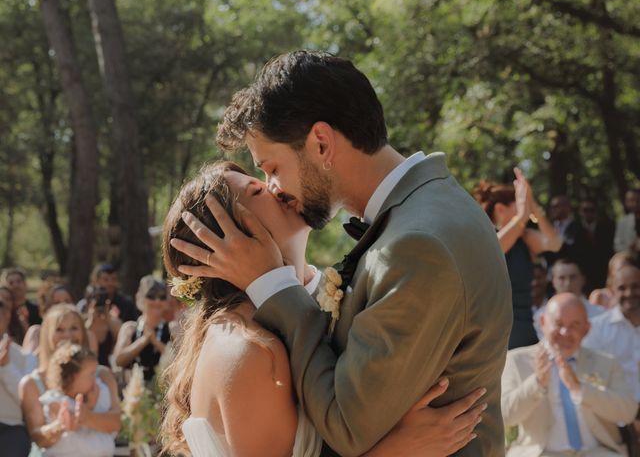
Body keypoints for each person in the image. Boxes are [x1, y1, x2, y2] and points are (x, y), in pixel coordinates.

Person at [171, 51, 511, 456]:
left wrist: (273, 285)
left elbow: (347, 427)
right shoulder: (431, 209)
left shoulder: (417, 245)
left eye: (272, 168)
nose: (274, 187)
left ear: (321, 143)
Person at [161, 162, 487, 457]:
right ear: (230, 238)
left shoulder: (333, 294)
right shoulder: (246, 349)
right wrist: (400, 450)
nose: (273, 186)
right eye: (255, 189)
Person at [502, 293, 637, 456]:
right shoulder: (516, 360)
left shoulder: (606, 363)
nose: (565, 332)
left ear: (587, 329)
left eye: (575, 325)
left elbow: (628, 412)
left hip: (596, 451)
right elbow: (505, 415)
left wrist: (580, 389)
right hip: (542, 452)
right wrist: (537, 383)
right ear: (543, 323)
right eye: (558, 324)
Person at [474, 169, 562, 349]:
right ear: (500, 209)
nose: (523, 208)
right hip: (494, 335)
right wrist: (522, 217)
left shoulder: (525, 238)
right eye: (519, 204)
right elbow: (493, 251)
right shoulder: (484, 238)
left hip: (524, 333)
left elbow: (555, 243)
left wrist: (535, 210)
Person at [19, 306, 119, 455]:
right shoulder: (30, 383)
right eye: (59, 329)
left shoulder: (103, 375)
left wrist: (87, 417)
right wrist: (60, 425)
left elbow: (116, 422)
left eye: (74, 328)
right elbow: (37, 437)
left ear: (83, 333)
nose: (67, 335)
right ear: (47, 335)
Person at [582, 252, 640, 443]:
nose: (630, 293)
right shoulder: (597, 329)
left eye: (635, 286)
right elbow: (590, 378)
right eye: (622, 288)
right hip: (614, 418)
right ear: (612, 291)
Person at [113, 276, 170, 383]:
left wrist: (156, 342)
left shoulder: (172, 329)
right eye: (151, 296)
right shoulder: (130, 328)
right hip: (133, 392)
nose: (157, 301)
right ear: (141, 298)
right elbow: (118, 360)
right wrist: (143, 340)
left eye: (162, 297)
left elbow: (179, 361)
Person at [0, 295, 37, 457]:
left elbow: (26, 400)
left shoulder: (23, 356)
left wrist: (6, 366)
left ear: (6, 316)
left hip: (11, 429)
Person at [534, 259, 605, 340]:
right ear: (553, 281)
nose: (568, 283)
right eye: (562, 278)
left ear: (582, 279)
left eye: (573, 277)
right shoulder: (541, 316)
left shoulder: (601, 314)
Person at [22, 285, 75, 356]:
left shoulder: (83, 334)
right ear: (46, 308)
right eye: (57, 303)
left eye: (67, 301)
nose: (63, 306)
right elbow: (28, 363)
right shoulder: (36, 333)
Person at [577, 198, 615, 290]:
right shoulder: (574, 229)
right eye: (585, 210)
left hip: (603, 272)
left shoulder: (607, 227)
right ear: (580, 212)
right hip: (583, 273)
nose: (589, 213)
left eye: (592, 210)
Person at [84, 286, 122, 368]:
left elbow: (120, 341)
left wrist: (109, 320)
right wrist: (90, 322)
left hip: (110, 370)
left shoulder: (115, 322)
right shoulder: (82, 323)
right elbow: (79, 340)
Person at [614, 188, 640, 253]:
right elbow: (617, 246)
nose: (634, 203)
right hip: (630, 257)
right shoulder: (622, 222)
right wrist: (630, 248)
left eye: (637, 200)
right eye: (630, 200)